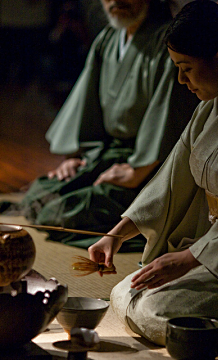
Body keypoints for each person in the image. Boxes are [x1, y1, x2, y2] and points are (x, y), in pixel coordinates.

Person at [88, 0, 218, 349]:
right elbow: (173, 180)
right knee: (127, 290)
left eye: (186, 68)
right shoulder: (209, 109)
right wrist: (115, 235)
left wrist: (190, 258)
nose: (180, 80)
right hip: (210, 247)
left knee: (153, 307)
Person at [1, 0, 198, 250]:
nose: (116, 1)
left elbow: (169, 115)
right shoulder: (108, 38)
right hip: (107, 153)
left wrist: (137, 171)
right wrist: (75, 156)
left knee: (66, 211)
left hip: (152, 166)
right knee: (40, 192)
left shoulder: (167, 40)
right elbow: (87, 103)